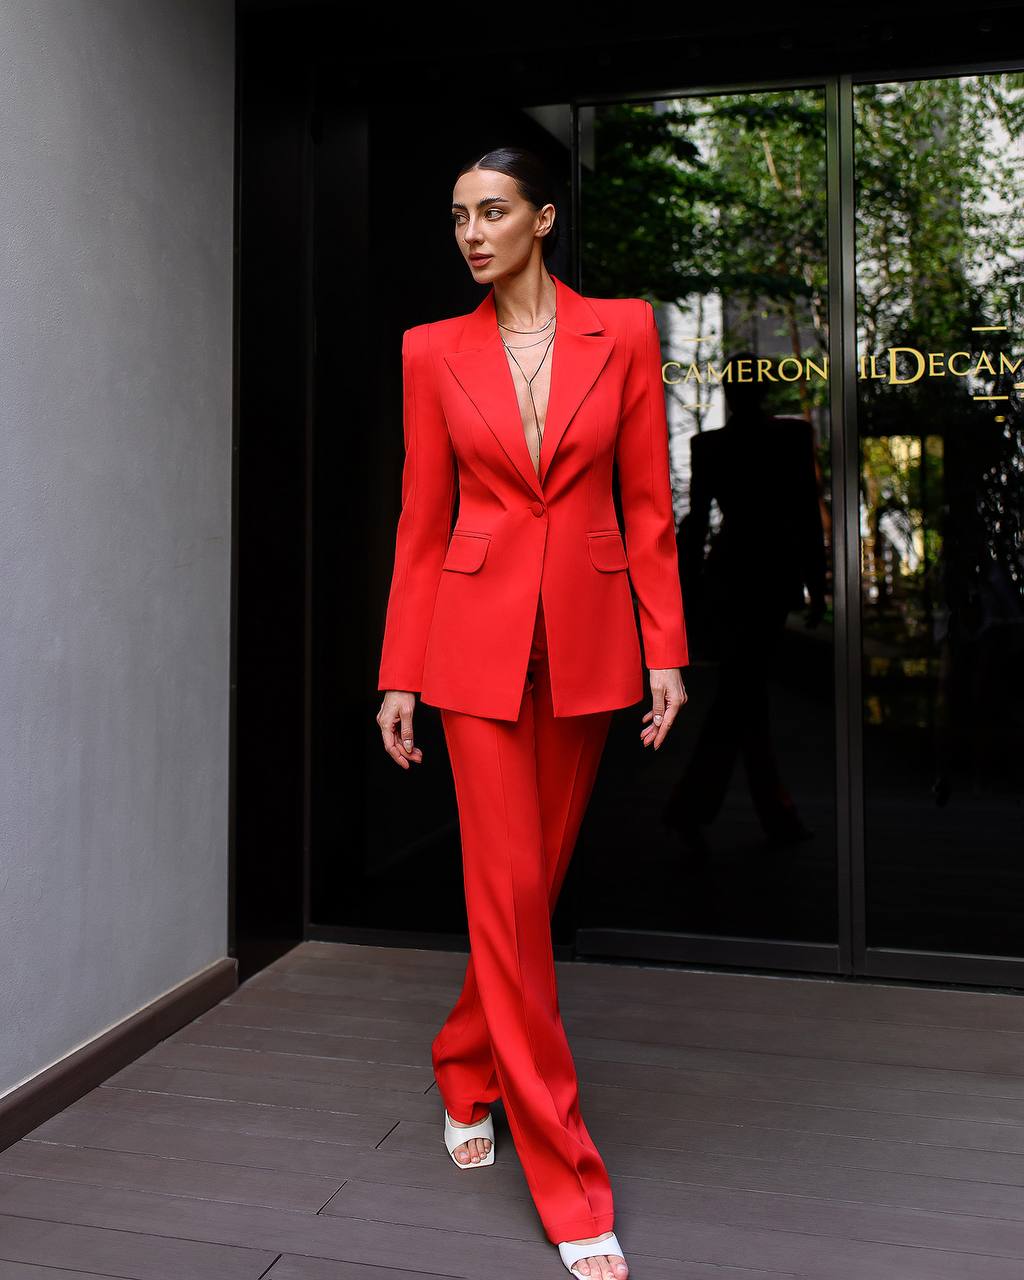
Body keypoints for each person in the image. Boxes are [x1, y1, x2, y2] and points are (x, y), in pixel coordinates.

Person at [375, 144, 689, 1280]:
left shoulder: (625, 331)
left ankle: (465, 1061)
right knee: (506, 895)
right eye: (459, 215)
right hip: (471, 648)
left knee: (530, 888)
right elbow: (422, 518)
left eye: (494, 211)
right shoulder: (429, 349)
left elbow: (646, 500)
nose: (472, 232)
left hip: (589, 640)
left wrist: (666, 645)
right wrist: (399, 672)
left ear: (542, 219)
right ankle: (569, 1178)